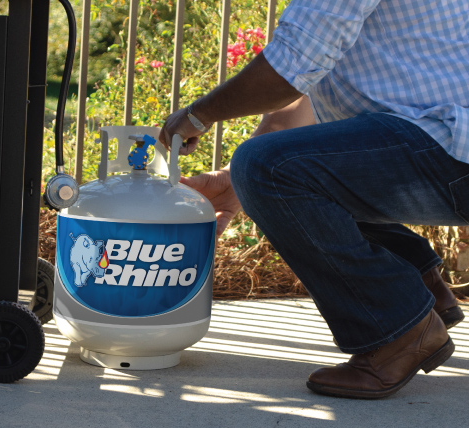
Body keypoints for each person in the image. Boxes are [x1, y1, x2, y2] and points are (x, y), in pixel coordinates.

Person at [159, 0, 469, 399]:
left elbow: (287, 69)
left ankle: (399, 330)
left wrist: (198, 114)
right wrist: (236, 183)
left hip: (454, 149)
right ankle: (421, 286)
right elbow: (301, 88)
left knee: (267, 166)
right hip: (444, 145)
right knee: (285, 163)